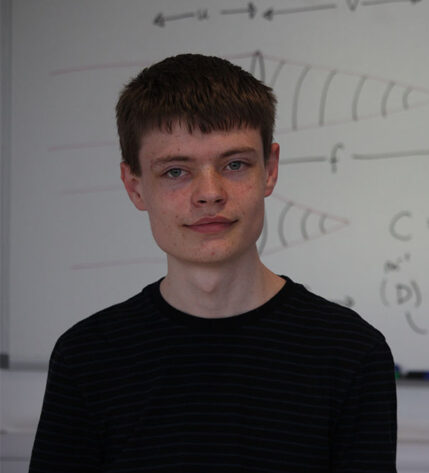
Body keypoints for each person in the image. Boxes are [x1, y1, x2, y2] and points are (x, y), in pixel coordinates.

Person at [29, 54, 397, 472]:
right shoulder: (87, 358)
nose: (209, 194)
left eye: (234, 164)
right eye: (175, 172)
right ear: (134, 187)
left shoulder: (351, 353)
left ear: (270, 170)